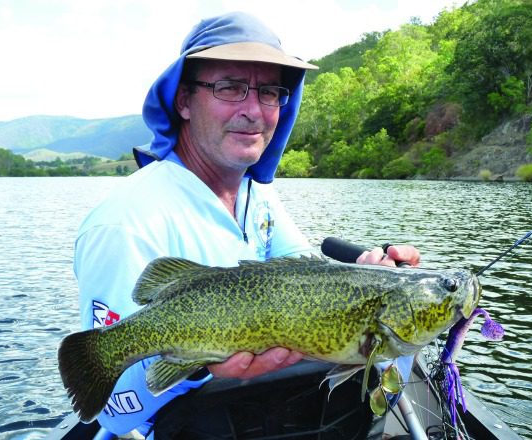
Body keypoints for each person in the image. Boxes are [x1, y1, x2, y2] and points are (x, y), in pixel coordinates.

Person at [73, 11, 420, 438]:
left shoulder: (257, 196)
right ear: (183, 99)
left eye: (270, 92)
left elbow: (302, 279)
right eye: (230, 87)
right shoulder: (123, 225)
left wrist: (366, 277)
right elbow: (113, 412)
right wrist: (198, 359)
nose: (254, 110)